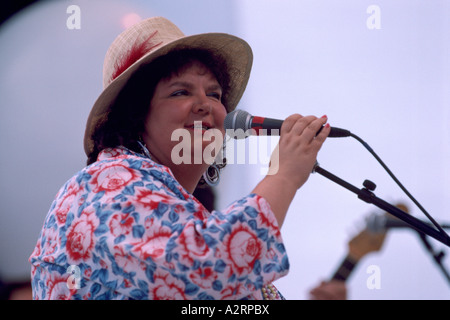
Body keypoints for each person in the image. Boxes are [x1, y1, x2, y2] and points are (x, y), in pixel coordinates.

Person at [29, 16, 330, 300]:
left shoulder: (179, 211)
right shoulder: (103, 186)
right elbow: (209, 269)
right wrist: (284, 176)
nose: (204, 105)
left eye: (214, 94)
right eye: (180, 92)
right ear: (136, 115)